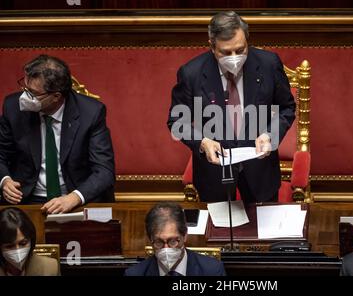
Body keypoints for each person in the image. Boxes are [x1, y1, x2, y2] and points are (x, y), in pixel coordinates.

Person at [167, 11, 296, 202]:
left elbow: (287, 108)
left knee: (261, 229)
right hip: (214, 173)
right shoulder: (191, 73)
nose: (234, 57)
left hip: (260, 172)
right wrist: (202, 142)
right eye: (226, 52)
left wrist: (270, 135)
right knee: (217, 230)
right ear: (212, 46)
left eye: (240, 50)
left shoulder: (269, 64)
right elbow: (177, 121)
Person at [0, 54, 115, 214]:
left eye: (33, 93)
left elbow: (104, 171)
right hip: (28, 200)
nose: (25, 97)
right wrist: (4, 181)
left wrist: (74, 198)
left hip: (75, 199)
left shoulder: (91, 113)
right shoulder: (13, 107)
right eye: (25, 88)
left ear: (56, 97)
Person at [125, 202, 226, 276]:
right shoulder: (134, 274)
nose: (166, 249)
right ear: (150, 239)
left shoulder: (212, 271)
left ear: (185, 235)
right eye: (159, 242)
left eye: (172, 241)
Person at [0, 207, 60, 276]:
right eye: (9, 246)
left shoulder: (50, 267)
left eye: (23, 243)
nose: (17, 251)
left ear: (31, 240)